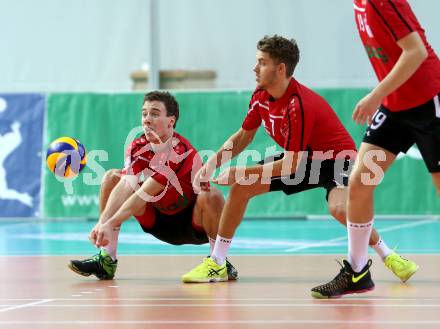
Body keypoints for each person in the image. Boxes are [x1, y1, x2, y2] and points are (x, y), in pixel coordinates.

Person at [181, 35, 417, 283]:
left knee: (339, 208)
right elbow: (243, 136)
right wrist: (211, 165)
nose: (254, 67)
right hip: (302, 157)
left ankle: (387, 254)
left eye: (262, 62)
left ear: (280, 68)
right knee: (241, 189)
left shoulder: (298, 104)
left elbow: (290, 165)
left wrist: (239, 171)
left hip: (335, 160)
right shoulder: (261, 95)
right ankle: (217, 263)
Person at [311, 0, 440, 298]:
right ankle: (357, 272)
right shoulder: (359, 5)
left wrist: (375, 94)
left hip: (428, 101)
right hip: (396, 107)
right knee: (359, 183)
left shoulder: (382, 2)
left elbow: (416, 51)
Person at [68, 91, 237, 281]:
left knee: (211, 194)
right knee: (112, 177)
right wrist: (102, 223)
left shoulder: (178, 151)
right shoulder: (137, 145)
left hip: (191, 223)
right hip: (157, 221)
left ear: (171, 121)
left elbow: (142, 194)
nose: (147, 120)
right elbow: (126, 185)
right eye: (144, 113)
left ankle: (218, 262)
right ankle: (106, 260)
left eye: (155, 114)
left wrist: (110, 222)